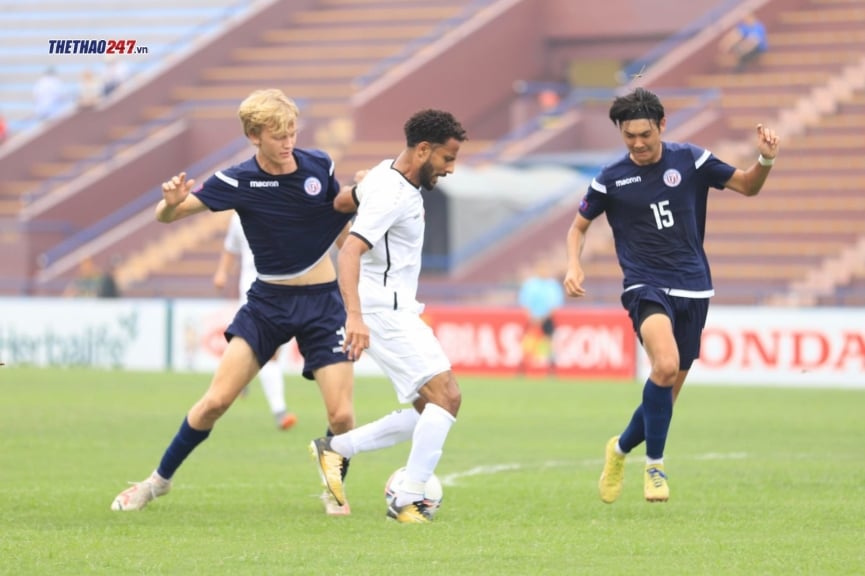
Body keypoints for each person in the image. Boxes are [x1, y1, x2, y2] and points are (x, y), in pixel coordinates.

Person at [110, 88, 357, 515]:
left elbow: (337, 223)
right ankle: (156, 482)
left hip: (323, 303)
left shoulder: (320, 165)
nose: (288, 142)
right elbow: (170, 214)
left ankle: (334, 488)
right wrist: (168, 207)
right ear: (253, 135)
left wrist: (359, 259)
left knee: (342, 417)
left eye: (292, 132)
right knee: (215, 403)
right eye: (278, 135)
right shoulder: (237, 180)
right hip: (268, 304)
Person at [563, 87, 779, 503]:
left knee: (665, 392)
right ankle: (655, 468)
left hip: (694, 287)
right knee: (664, 365)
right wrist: (574, 263)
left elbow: (748, 187)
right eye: (630, 137)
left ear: (662, 125)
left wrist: (766, 159)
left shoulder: (692, 160)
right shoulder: (610, 178)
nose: (639, 144)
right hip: (644, 284)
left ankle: (620, 448)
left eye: (645, 134)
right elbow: (578, 226)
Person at [309, 109, 467, 523]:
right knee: (448, 398)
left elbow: (342, 202)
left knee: (426, 409)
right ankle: (407, 499)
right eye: (447, 158)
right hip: (386, 312)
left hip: (391, 309)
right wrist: (355, 316)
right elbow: (349, 250)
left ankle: (336, 449)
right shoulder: (393, 193)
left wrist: (361, 190)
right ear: (423, 149)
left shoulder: (382, 174)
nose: (451, 168)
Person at [213, 212, 298, 431]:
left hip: (285, 291)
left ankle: (241, 378)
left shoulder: (283, 207)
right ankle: (280, 412)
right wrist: (222, 273)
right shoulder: (238, 217)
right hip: (254, 293)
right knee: (270, 353)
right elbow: (231, 248)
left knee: (263, 351)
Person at [517, 258, 565, 374]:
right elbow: (525, 303)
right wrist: (532, 317)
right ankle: (523, 366)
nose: (543, 271)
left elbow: (555, 305)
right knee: (528, 342)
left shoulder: (553, 286)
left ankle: (551, 368)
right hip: (532, 318)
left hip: (547, 319)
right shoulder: (530, 285)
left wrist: (543, 318)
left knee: (550, 343)